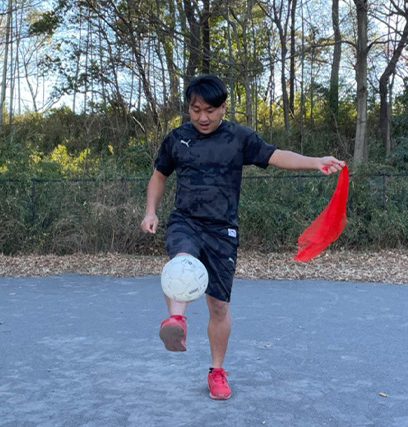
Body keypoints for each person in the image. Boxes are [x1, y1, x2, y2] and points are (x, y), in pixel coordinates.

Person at [140, 74, 345, 400]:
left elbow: (277, 155)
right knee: (181, 261)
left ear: (223, 107)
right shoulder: (177, 139)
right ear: (188, 108)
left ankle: (216, 371)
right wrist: (151, 211)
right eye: (195, 110)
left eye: (210, 110)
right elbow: (158, 176)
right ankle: (176, 319)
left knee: (219, 307)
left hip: (223, 230)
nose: (202, 117)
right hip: (185, 221)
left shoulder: (239, 137)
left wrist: (314, 162)